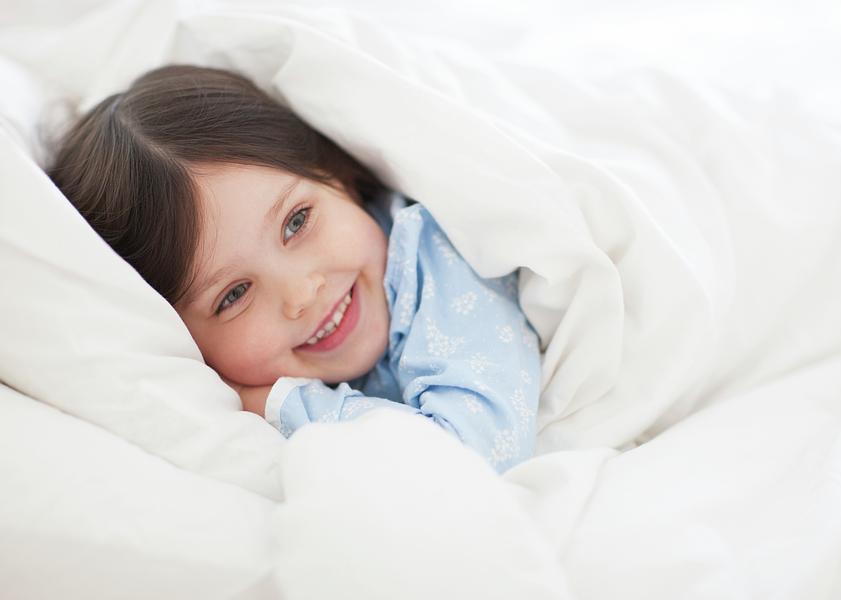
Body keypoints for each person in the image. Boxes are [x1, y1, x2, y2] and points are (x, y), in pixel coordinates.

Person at [48, 65, 541, 472]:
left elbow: (465, 459)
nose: (301, 293)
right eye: (234, 295)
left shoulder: (432, 253)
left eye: (296, 222)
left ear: (338, 177)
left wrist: (273, 404)